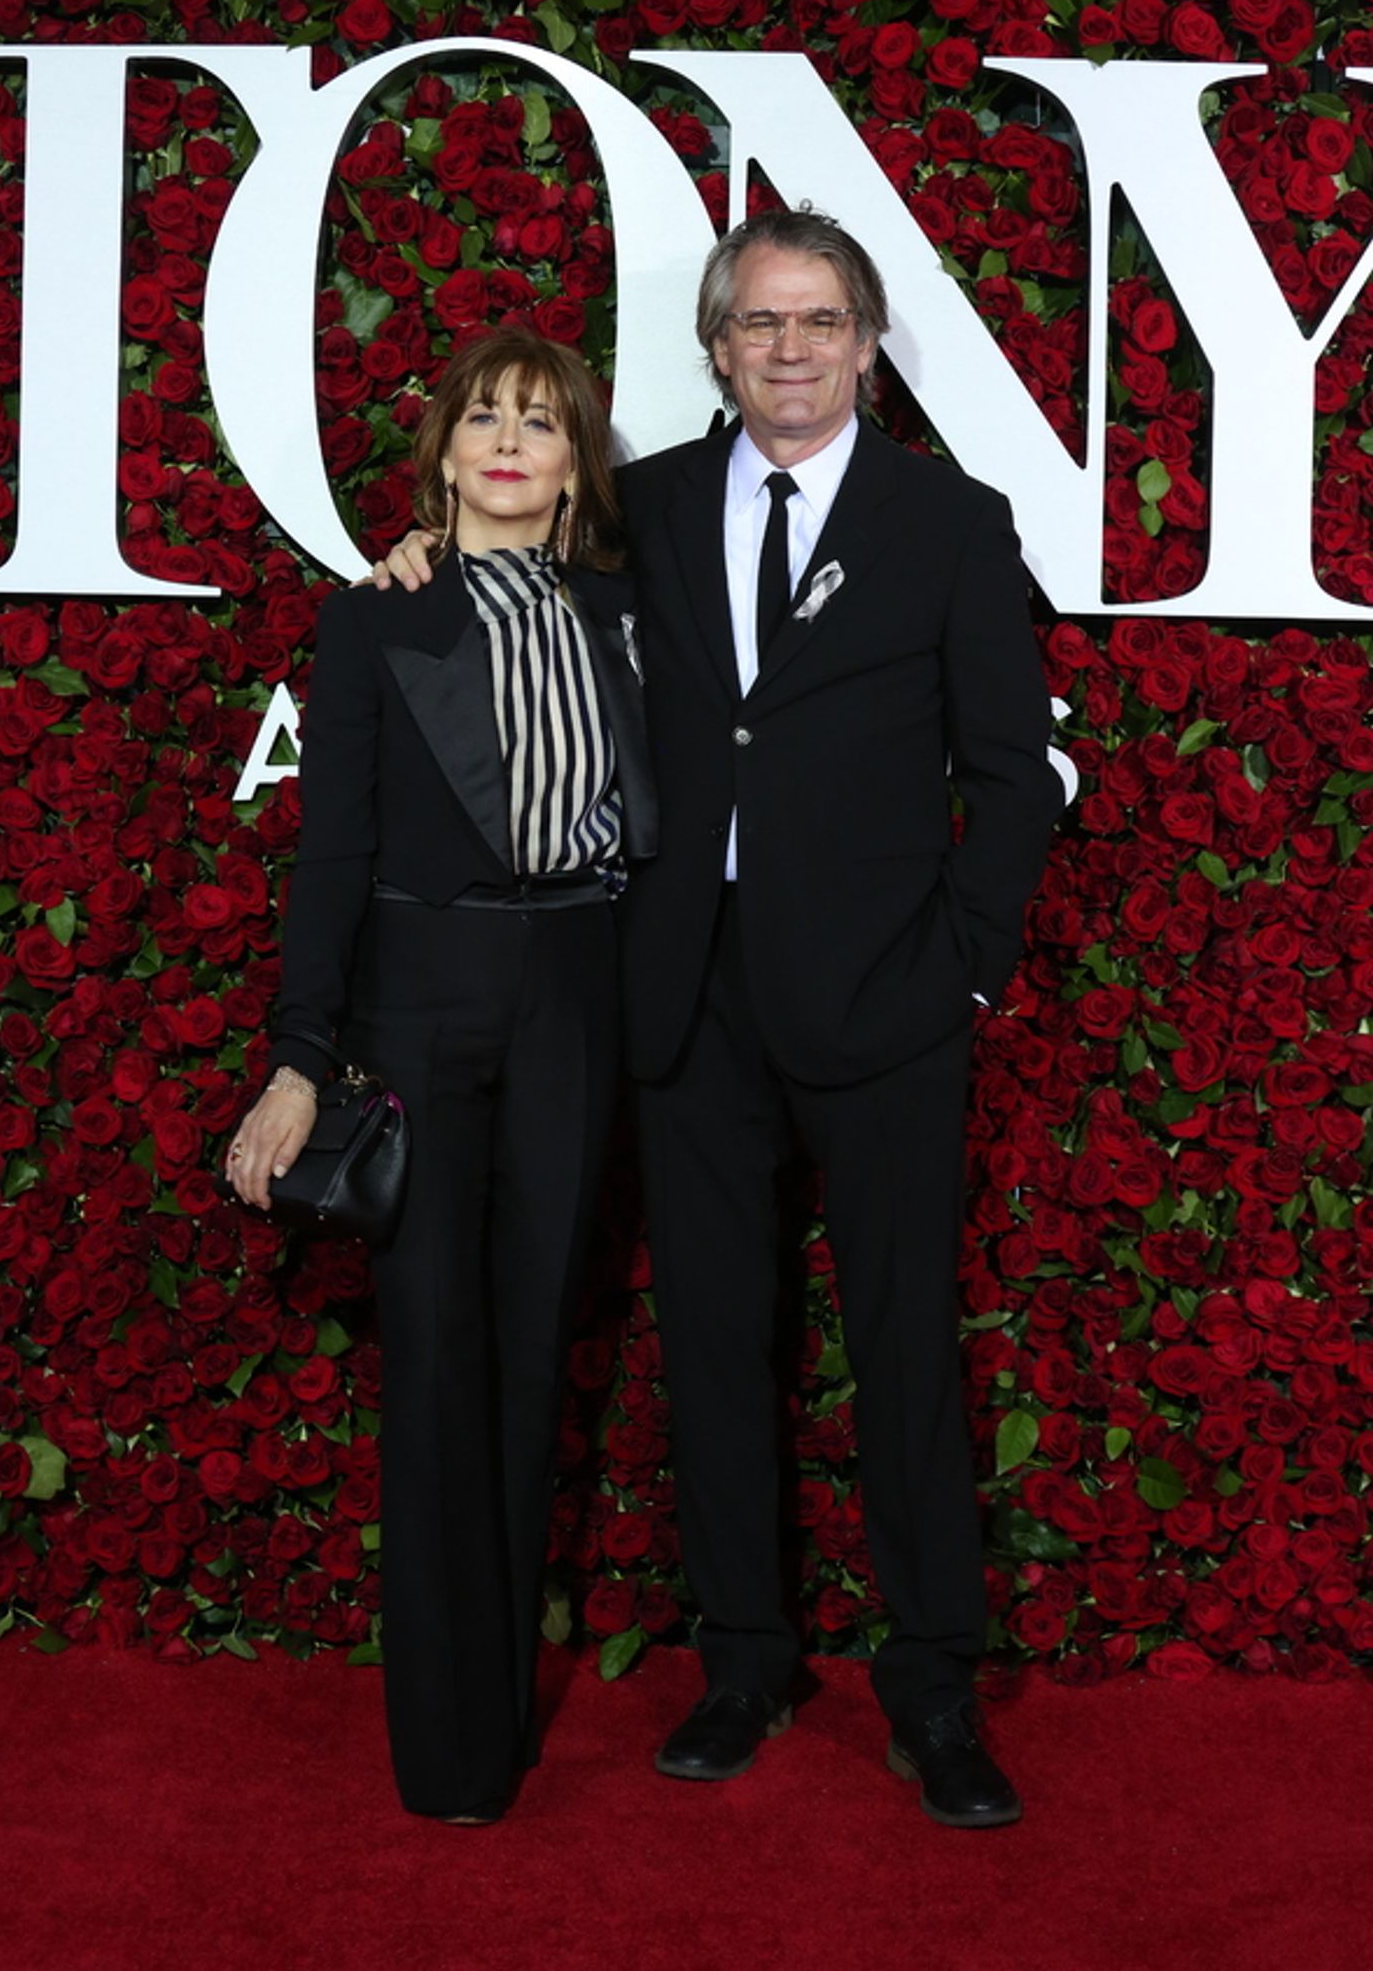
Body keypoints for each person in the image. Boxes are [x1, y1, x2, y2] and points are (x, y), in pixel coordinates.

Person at [376, 209, 1062, 1829]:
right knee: (711, 1345)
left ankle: (933, 1686)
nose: (791, 350)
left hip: (889, 996)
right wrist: (410, 561)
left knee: (902, 1351)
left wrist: (962, 966)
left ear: (869, 345)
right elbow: (503, 574)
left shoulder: (948, 521)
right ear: (718, 348)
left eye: (820, 322)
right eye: (760, 325)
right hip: (684, 991)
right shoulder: (654, 508)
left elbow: (1010, 775)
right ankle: (744, 1659)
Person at [227, 330, 656, 1824]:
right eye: (484, 417)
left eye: (539, 423)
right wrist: (298, 1064)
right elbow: (329, 853)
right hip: (422, 1004)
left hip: (577, 1001)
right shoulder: (377, 623)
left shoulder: (624, 612)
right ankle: (447, 1750)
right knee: (436, 1362)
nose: (508, 442)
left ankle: (503, 1715)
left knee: (534, 1356)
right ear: (444, 454)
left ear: (573, 460)